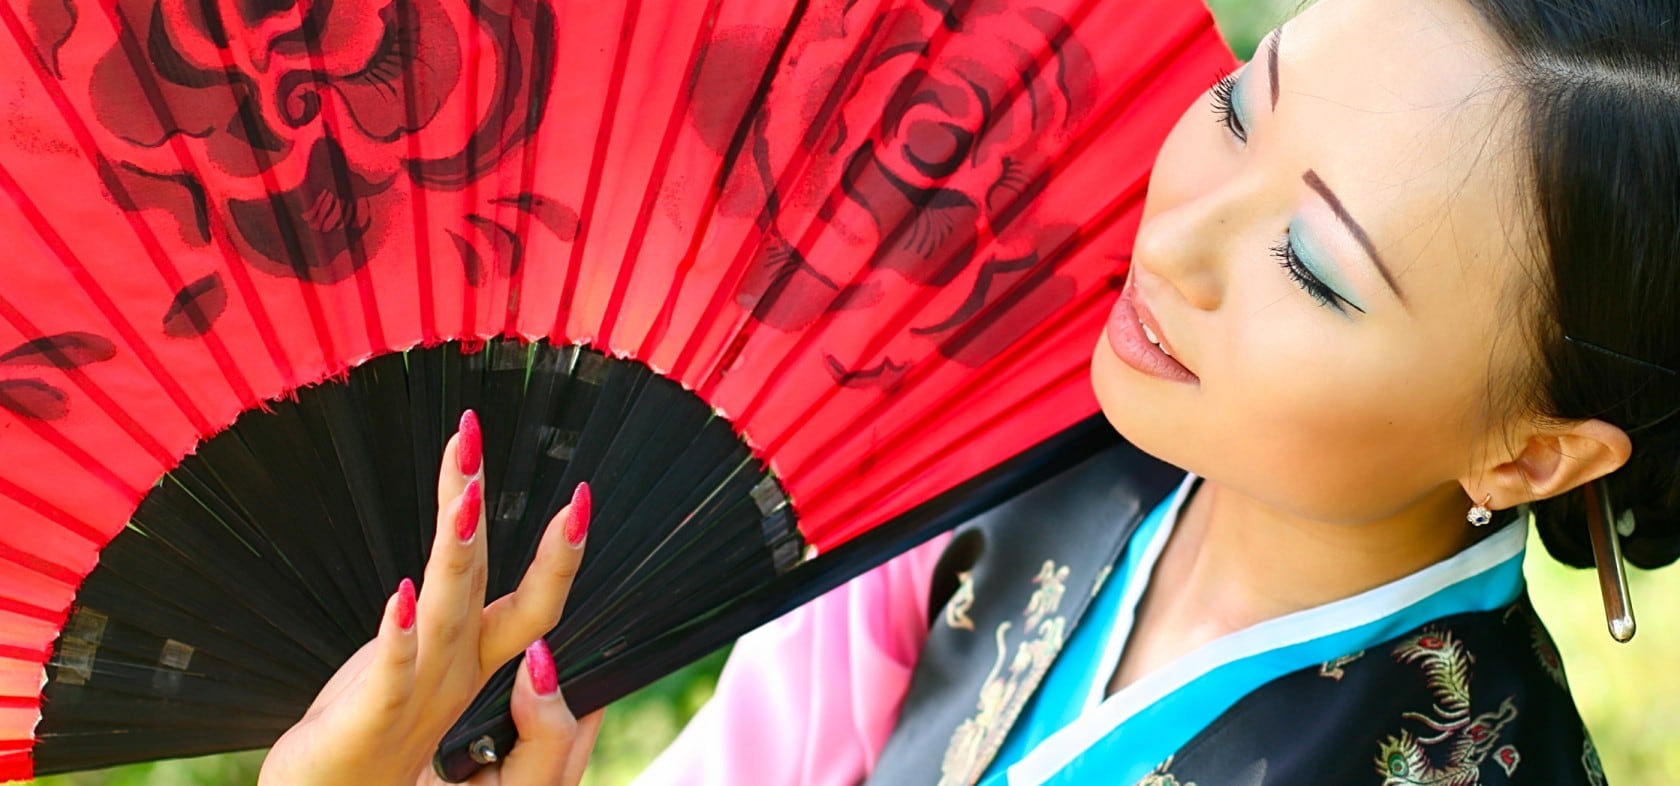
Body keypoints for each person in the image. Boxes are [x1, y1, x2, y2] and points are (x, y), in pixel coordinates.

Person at [258, 0, 1680, 783]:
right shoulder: (1020, 440)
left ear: (1531, 452)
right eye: (1240, 105)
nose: (1173, 241)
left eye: (1312, 264)